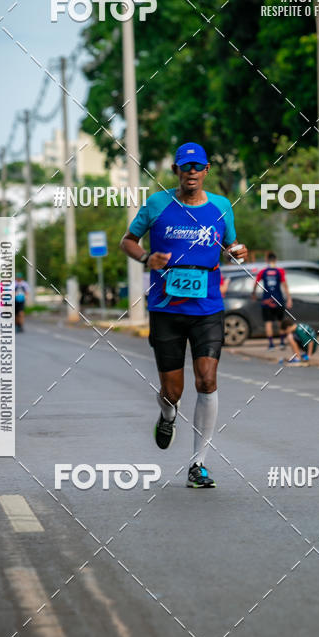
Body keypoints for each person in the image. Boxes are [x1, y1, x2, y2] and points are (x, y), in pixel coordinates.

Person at [120, 141, 247, 489]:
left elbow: (229, 247)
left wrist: (237, 251)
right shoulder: (158, 204)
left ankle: (198, 464)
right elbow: (128, 240)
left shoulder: (222, 206)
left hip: (207, 307)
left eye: (198, 167)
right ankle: (167, 414)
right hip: (166, 308)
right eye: (185, 167)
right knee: (172, 390)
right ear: (176, 171)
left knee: (207, 379)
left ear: (206, 171)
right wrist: (146, 258)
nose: (191, 172)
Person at [251, 252, 292, 349]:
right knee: (280, 321)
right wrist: (289, 298)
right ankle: (282, 343)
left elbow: (256, 283)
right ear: (276, 260)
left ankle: (271, 344)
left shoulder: (263, 272)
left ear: (266, 260)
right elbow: (285, 285)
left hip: (266, 300)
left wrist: (253, 293)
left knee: (268, 322)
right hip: (278, 300)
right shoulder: (280, 271)